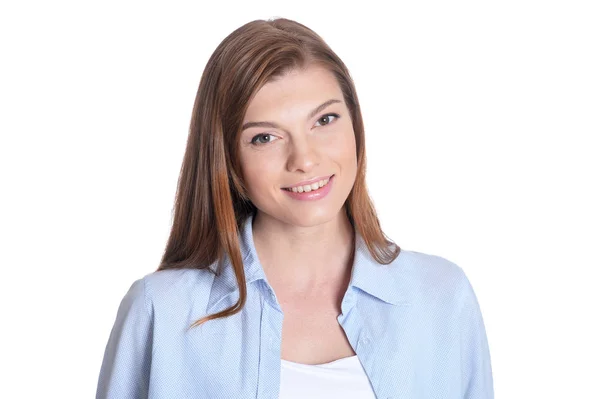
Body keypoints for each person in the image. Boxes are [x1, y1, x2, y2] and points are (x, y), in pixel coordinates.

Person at [95, 17, 494, 399]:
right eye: (265, 137)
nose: (304, 159)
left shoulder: (442, 297)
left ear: (355, 124)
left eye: (325, 119)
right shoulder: (160, 311)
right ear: (227, 157)